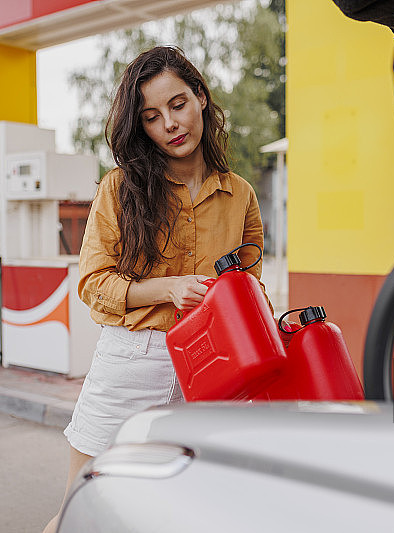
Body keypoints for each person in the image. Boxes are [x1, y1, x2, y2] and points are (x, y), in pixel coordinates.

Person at [41, 45, 267, 532]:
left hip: (212, 366)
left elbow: (249, 288)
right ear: (139, 125)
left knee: (182, 511)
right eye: (151, 116)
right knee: (80, 509)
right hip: (131, 360)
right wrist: (168, 289)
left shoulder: (240, 194)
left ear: (201, 98)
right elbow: (93, 283)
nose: (170, 123)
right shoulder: (121, 187)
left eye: (178, 104)